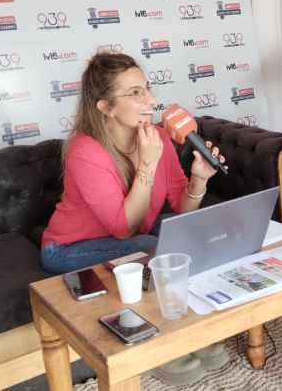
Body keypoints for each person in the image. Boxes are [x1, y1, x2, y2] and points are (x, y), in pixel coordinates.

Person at [41, 51, 228, 385]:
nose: (151, 100)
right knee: (151, 247)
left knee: (185, 235)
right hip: (68, 248)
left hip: (131, 232)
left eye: (148, 89)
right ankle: (161, 347)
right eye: (135, 93)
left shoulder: (156, 137)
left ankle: (191, 327)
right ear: (105, 106)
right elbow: (124, 228)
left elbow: (181, 209)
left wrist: (198, 179)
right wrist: (147, 163)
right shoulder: (85, 151)